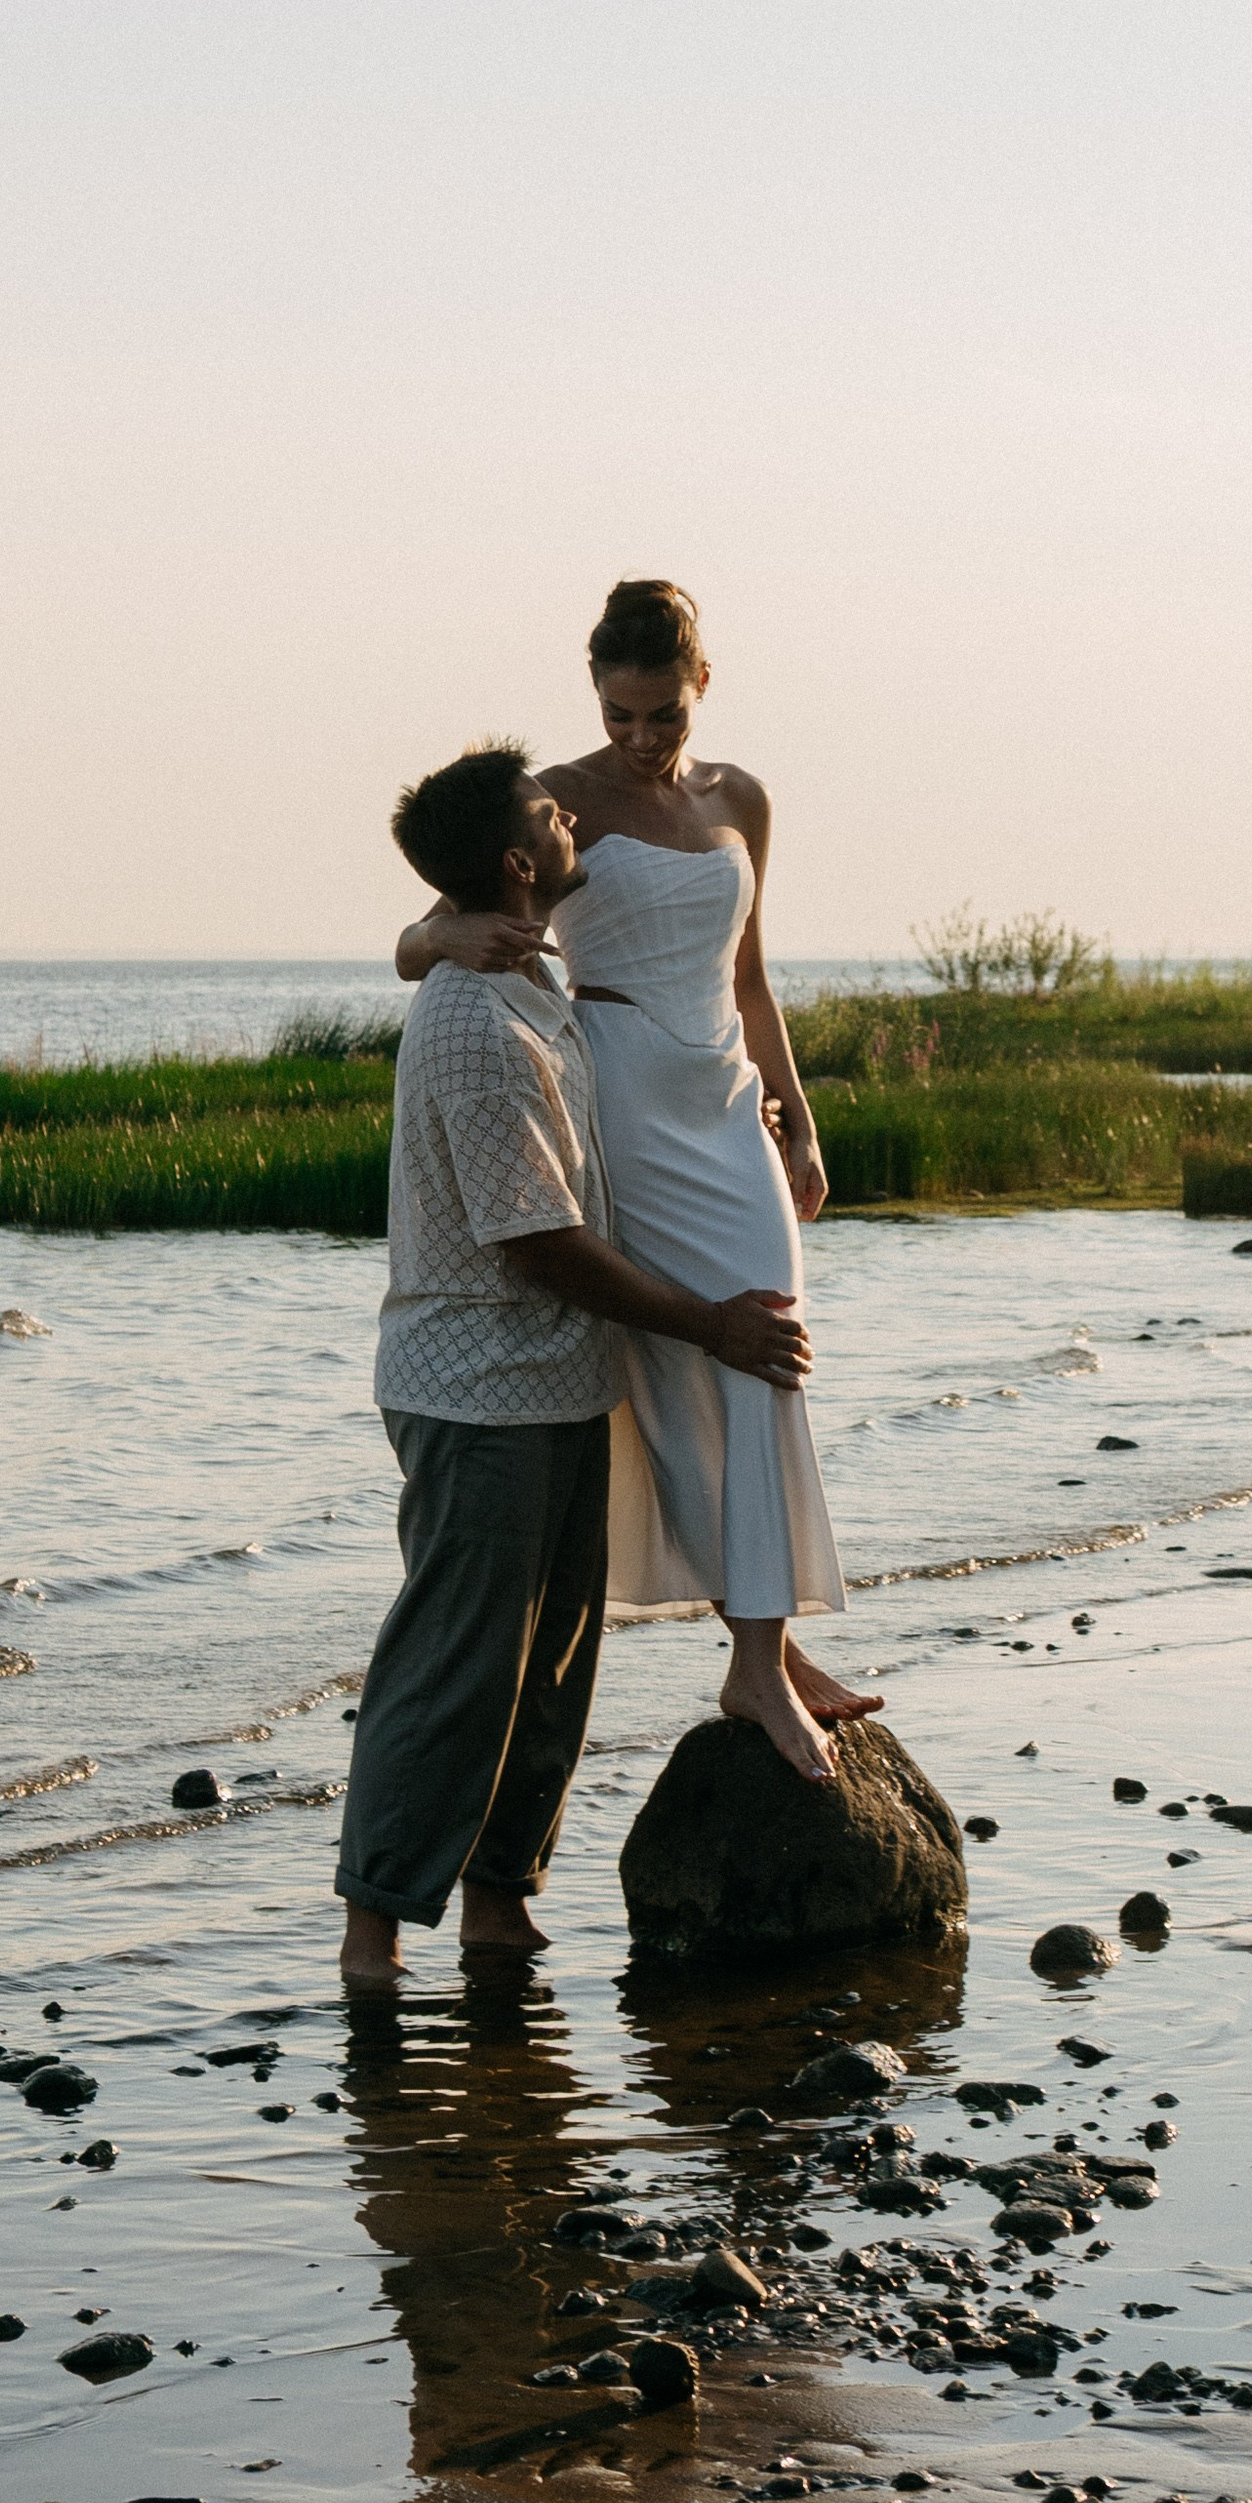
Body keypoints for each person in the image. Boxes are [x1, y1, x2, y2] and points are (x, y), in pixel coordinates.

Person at [340, 741, 810, 1989]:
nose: (571, 819)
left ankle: (500, 1905)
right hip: (474, 1387)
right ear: (516, 863)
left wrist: (736, 1098)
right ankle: (373, 1935)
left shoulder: (533, 978)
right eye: (550, 816)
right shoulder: (474, 1016)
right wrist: (712, 1327)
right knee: (455, 1664)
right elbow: (541, 1244)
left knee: (550, 1667)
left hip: (554, 1382)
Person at [397, 578, 875, 1787]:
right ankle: (755, 1656)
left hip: (723, 1100)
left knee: (773, 1353)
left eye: (660, 716)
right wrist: (449, 937)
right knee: (683, 1370)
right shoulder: (549, 802)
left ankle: (766, 1649)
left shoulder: (743, 800)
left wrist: (800, 1125)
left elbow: (752, 973)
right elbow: (417, 940)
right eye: (619, 715)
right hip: (615, 1096)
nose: (640, 738)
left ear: (698, 687)